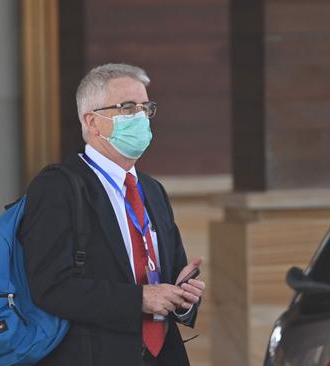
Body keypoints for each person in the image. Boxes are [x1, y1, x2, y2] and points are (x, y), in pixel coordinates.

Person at [18, 63, 206, 366]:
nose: (141, 117)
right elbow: (50, 287)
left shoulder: (152, 189)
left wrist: (182, 298)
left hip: (162, 356)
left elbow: (166, 279)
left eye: (146, 107)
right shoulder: (58, 187)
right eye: (128, 107)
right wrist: (139, 300)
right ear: (92, 122)